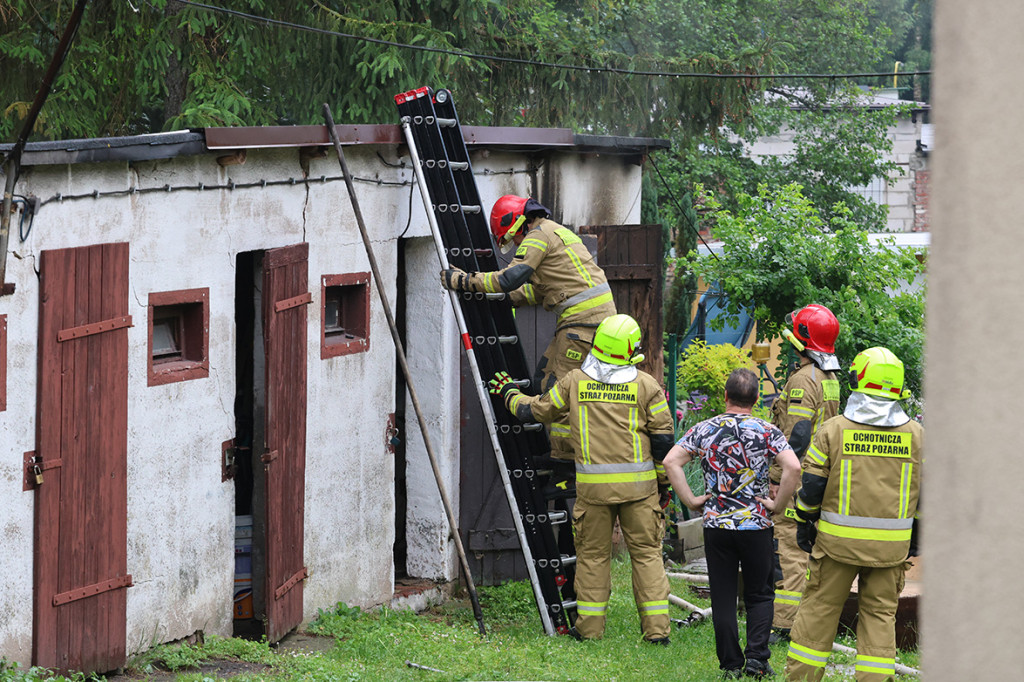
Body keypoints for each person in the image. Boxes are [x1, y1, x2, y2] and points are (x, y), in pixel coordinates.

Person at [487, 314, 675, 643]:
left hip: (592, 493)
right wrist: (664, 486)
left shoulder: (575, 381)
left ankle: (589, 629)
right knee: (646, 555)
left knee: (593, 558)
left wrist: (508, 394)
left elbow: (536, 410)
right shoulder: (647, 386)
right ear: (631, 350)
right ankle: (657, 633)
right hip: (640, 492)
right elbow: (663, 444)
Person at [442, 195, 617, 461]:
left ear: (518, 224)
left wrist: (464, 281)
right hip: (586, 321)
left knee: (559, 391)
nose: (515, 244)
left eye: (513, 238)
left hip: (582, 324)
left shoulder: (537, 235)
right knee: (543, 381)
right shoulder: (556, 231)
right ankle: (560, 454)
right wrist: (504, 299)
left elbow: (510, 278)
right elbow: (545, 290)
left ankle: (565, 461)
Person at [785, 347, 922, 682]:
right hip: (890, 552)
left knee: (819, 613)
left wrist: (804, 521)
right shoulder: (918, 437)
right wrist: (915, 538)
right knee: (878, 619)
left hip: (836, 547)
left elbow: (812, 487)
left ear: (858, 379)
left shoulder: (834, 430)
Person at [664, 368, 801, 679]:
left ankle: (730, 665)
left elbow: (671, 461)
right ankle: (756, 659)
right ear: (755, 399)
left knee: (723, 595)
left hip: (717, 527)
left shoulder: (704, 429)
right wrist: (776, 505)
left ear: (726, 397)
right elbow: (793, 466)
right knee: (760, 593)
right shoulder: (767, 431)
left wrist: (690, 499)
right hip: (756, 526)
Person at [769, 304, 842, 642]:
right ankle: (803, 620)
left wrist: (782, 479)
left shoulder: (802, 379)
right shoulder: (829, 379)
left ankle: (785, 625)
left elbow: (797, 436)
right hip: (817, 477)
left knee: (789, 552)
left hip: (795, 481)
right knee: (807, 551)